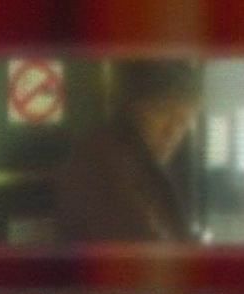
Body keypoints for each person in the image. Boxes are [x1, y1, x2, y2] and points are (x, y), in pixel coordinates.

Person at [52, 60, 203, 244]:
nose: (173, 132)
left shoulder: (143, 160)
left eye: (183, 120)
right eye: (162, 112)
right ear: (131, 107)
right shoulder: (102, 162)